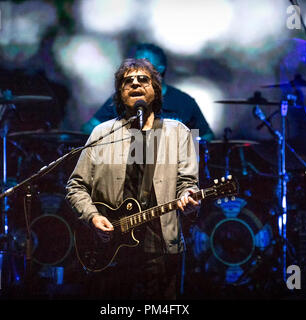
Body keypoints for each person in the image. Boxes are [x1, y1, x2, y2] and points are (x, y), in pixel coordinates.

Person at [66, 58, 200, 300]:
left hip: (159, 250)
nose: (135, 83)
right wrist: (93, 216)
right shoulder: (101, 133)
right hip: (110, 251)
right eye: (128, 81)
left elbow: (188, 185)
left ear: (155, 91)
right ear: (120, 93)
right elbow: (76, 186)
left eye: (143, 79)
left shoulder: (178, 132)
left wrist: (188, 197)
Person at [81, 43, 215, 141]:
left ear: (161, 68)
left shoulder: (184, 102)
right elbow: (89, 128)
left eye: (145, 62)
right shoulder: (122, 97)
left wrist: (189, 146)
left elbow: (207, 136)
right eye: (136, 62)